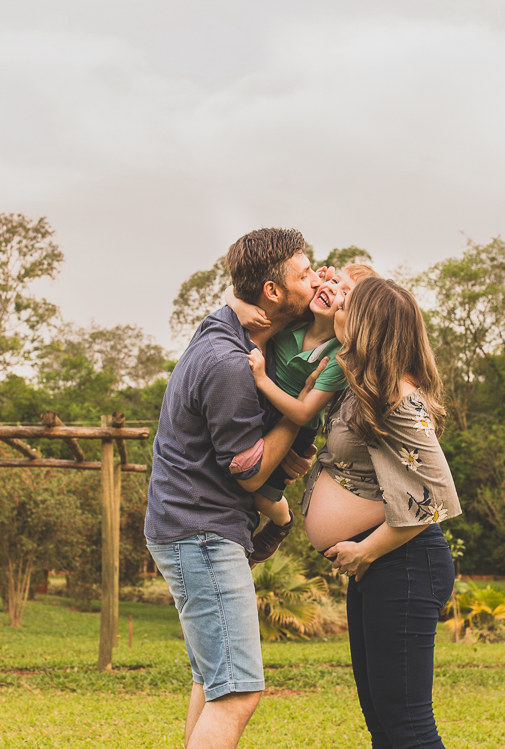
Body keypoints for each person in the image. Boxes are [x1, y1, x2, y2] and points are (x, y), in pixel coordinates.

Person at [144, 227, 322, 749]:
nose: (313, 280)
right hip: (201, 531)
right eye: (304, 273)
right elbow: (248, 472)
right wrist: (304, 406)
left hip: (188, 528)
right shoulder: (228, 362)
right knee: (239, 691)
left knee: (212, 680)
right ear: (271, 291)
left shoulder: (231, 330)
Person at [301, 275, 462, 749]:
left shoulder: (398, 397)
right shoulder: (363, 387)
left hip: (404, 564)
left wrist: (366, 552)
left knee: (408, 726)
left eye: (349, 306)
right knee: (383, 724)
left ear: (370, 325)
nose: (338, 311)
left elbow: (435, 494)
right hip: (380, 567)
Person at [225, 264, 380, 563]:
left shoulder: (337, 356)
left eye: (344, 293)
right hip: (263, 408)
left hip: (297, 423)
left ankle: (282, 520)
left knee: (258, 495)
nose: (333, 288)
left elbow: (303, 411)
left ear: (352, 316)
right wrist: (239, 306)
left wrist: (261, 380)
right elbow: (231, 290)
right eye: (334, 280)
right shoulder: (298, 313)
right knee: (231, 470)